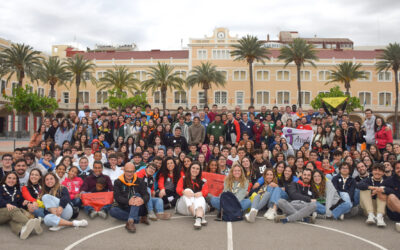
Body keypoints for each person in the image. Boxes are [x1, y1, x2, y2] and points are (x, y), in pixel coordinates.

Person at [0, 172, 42, 239]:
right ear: (5, 179)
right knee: (14, 209)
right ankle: (30, 223)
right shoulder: (1, 188)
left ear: (16, 181)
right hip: (2, 212)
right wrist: (6, 204)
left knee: (13, 220)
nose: (11, 180)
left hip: (9, 214)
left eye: (14, 179)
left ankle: (21, 232)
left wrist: (25, 203)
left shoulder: (17, 191)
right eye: (9, 178)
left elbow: (20, 203)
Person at [110, 162, 149, 233]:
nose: (130, 174)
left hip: (138, 207)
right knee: (113, 211)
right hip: (125, 206)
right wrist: (128, 201)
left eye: (132, 171)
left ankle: (130, 221)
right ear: (124, 171)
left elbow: (146, 195)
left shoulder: (140, 181)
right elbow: (117, 196)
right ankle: (136, 218)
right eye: (127, 171)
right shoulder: (118, 182)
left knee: (137, 195)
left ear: (134, 171)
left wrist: (142, 200)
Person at [176, 162, 208, 229]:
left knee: (200, 196)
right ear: (190, 168)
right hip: (184, 208)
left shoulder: (203, 180)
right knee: (188, 190)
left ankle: (198, 219)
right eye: (193, 168)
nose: (195, 170)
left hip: (197, 209)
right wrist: (184, 192)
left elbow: (206, 191)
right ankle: (201, 217)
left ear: (200, 171)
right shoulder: (183, 178)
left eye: (197, 169)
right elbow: (178, 189)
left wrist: (201, 193)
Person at [382, 160, 400, 232]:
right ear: (394, 169)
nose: (399, 170)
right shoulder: (388, 181)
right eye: (397, 168)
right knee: (391, 196)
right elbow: (381, 192)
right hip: (395, 213)